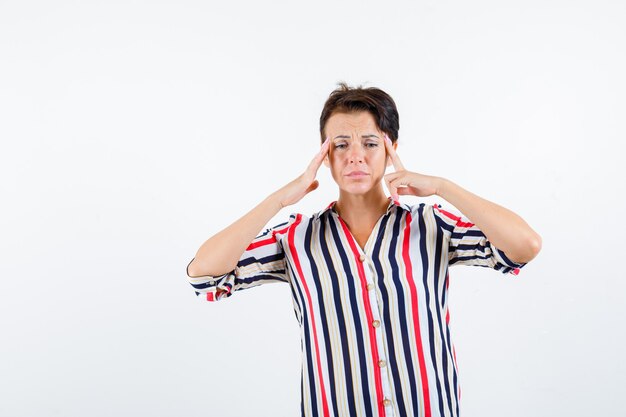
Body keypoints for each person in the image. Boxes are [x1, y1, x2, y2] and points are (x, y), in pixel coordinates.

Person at [186, 83, 542, 417]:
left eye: (370, 143)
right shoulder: (296, 238)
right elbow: (204, 274)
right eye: (341, 144)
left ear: (391, 150)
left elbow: (524, 246)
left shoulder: (431, 225)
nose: (355, 156)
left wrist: (442, 187)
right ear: (324, 155)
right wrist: (278, 200)